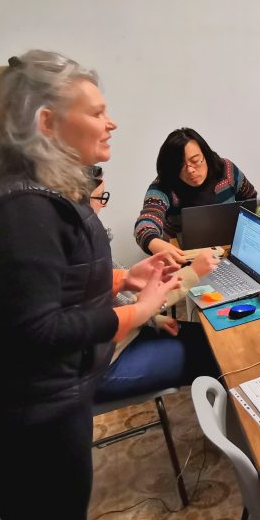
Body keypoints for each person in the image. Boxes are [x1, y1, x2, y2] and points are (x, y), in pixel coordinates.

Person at [0, 51, 181, 520]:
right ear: (47, 122)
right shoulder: (20, 210)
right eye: (96, 112)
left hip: (39, 409)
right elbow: (35, 330)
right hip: (23, 424)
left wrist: (123, 278)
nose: (111, 123)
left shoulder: (30, 194)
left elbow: (51, 282)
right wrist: (140, 310)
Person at [90, 168, 220, 403]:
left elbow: (118, 303)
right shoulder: (82, 247)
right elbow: (131, 309)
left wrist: (153, 319)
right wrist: (193, 273)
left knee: (212, 337)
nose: (103, 206)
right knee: (218, 354)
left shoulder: (87, 239)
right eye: (100, 198)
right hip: (104, 366)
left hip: (121, 339)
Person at [134, 127, 257, 262]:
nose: (191, 170)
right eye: (181, 165)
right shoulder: (164, 186)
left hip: (230, 254)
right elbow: (145, 224)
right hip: (185, 260)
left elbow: (250, 200)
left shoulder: (225, 169)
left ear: (205, 154)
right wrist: (155, 243)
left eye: (196, 161)